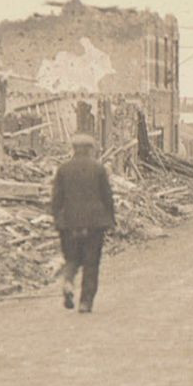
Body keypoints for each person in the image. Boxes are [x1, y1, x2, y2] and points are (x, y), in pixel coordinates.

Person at [50, 133, 115, 313]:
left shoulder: (63, 169)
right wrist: (111, 219)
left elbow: (56, 198)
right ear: (90, 149)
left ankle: (68, 282)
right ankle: (86, 302)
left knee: (71, 259)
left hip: (69, 224)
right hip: (95, 224)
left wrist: (57, 219)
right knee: (91, 263)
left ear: (74, 149)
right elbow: (107, 197)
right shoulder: (99, 169)